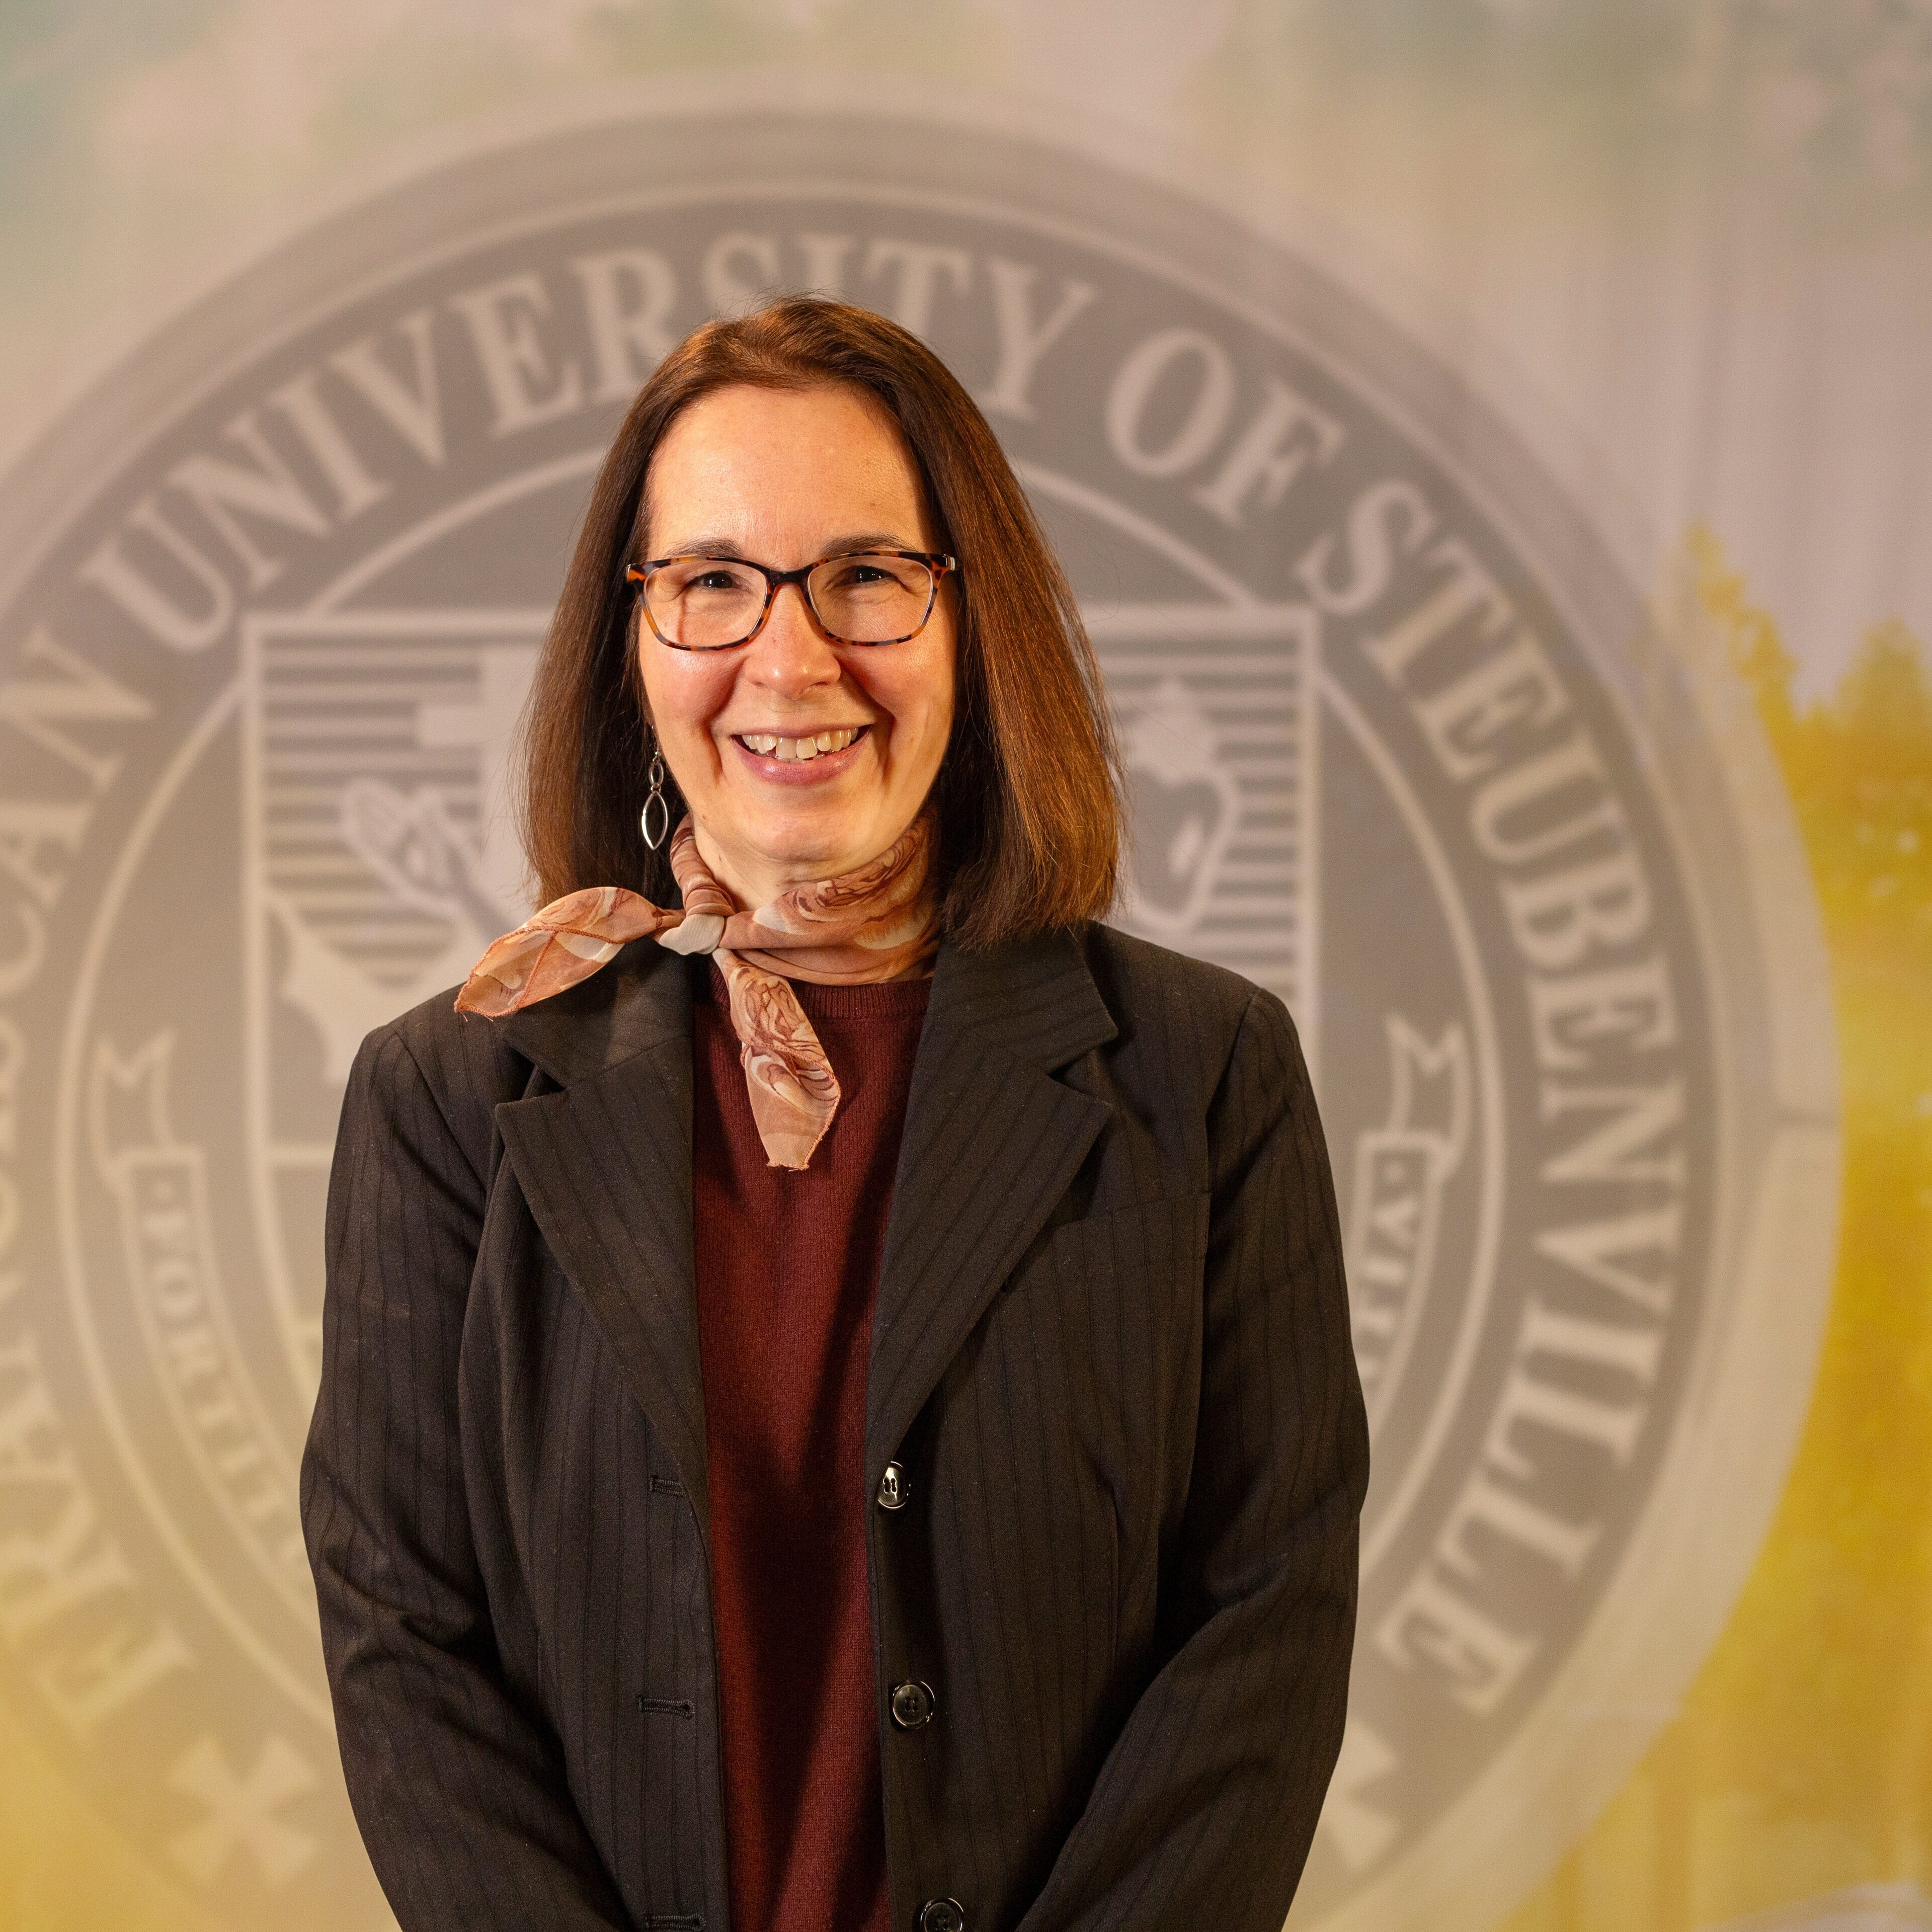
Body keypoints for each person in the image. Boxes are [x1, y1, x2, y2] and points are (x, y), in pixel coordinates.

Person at [301, 295, 1369, 1932]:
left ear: (972, 618)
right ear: (631, 639)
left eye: (867, 575)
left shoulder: (1203, 1074)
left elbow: (1264, 1625)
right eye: (712, 583)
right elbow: (404, 1642)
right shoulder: (445, 1096)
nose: (789, 660)